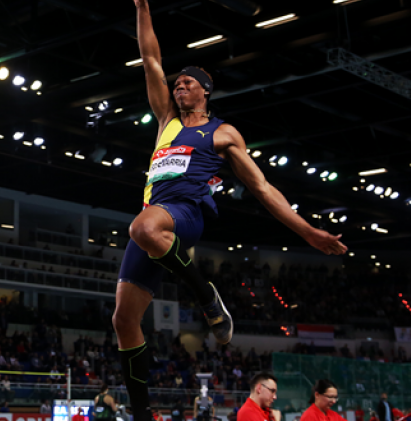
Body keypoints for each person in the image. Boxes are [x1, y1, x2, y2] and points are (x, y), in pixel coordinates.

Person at [115, 3, 348, 421]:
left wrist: (307, 231)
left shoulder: (222, 133)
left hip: (184, 213)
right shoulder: (166, 119)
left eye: (187, 83)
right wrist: (143, 6)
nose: (179, 87)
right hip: (156, 216)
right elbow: (150, 57)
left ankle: (206, 295)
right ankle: (141, 414)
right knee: (123, 320)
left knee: (142, 228)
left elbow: (261, 187)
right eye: (177, 83)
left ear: (206, 90)